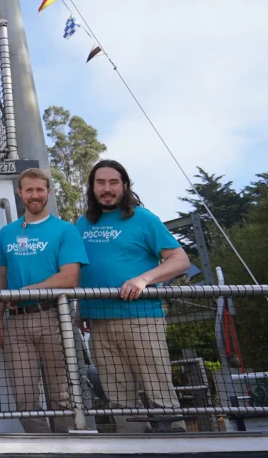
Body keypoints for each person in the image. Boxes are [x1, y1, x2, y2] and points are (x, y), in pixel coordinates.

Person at [76, 159, 190, 433]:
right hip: (99, 322)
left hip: (142, 318)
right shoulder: (82, 223)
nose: (107, 188)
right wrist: (79, 309)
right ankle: (134, 445)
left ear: (125, 186)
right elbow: (81, 269)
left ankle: (176, 444)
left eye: (113, 182)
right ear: (92, 188)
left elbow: (180, 260)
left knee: (158, 388)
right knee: (118, 396)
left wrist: (143, 279)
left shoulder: (144, 218)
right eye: (100, 183)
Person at [0, 168, 88, 433]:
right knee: (24, 397)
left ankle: (68, 446)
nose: (35, 195)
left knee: (62, 395)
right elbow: (1, 276)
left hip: (55, 317)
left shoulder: (65, 230)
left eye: (40, 189)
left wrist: (28, 290)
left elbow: (70, 277)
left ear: (48, 192)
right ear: (19, 193)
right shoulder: (7, 233)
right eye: (29, 190)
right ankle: (42, 446)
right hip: (16, 323)